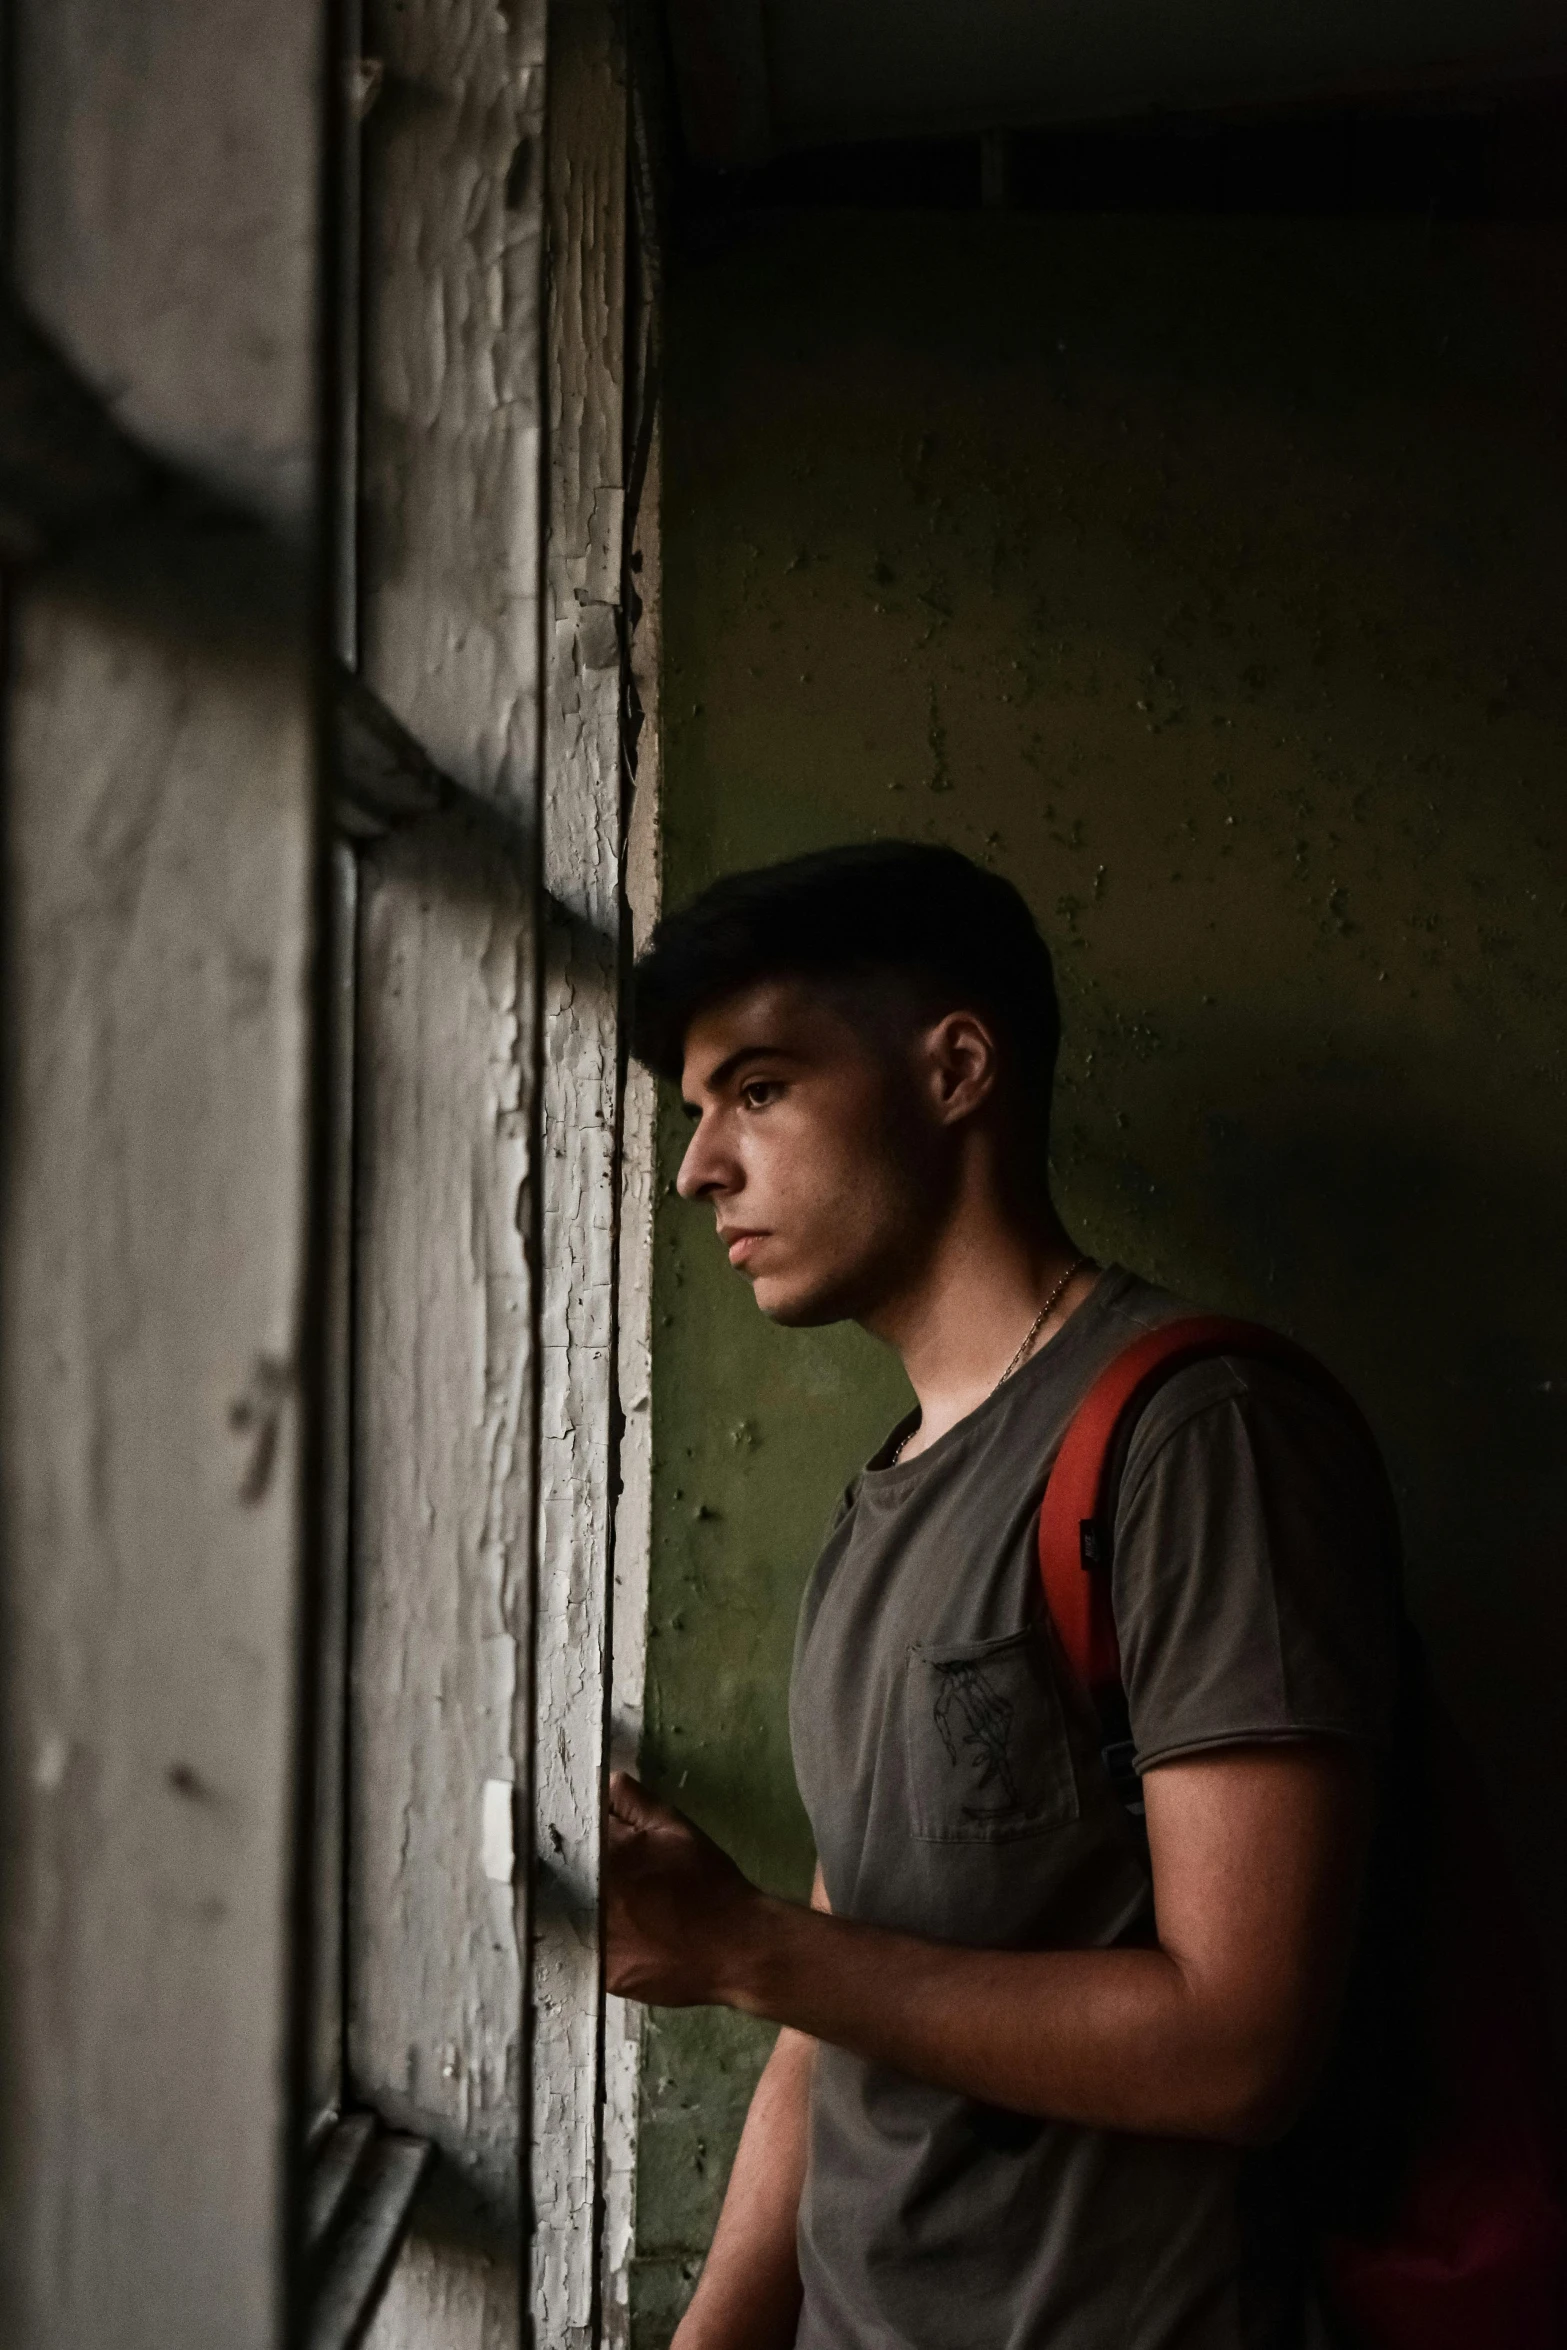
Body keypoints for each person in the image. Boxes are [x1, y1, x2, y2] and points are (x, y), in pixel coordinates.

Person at [605, 841, 1403, 2350]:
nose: (698, 1161)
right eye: (696, 1108)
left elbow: (1241, 2043)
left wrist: (744, 1945)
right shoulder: (884, 1496)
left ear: (956, 1067)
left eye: (759, 1088)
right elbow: (823, 2018)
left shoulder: (1190, 1432)